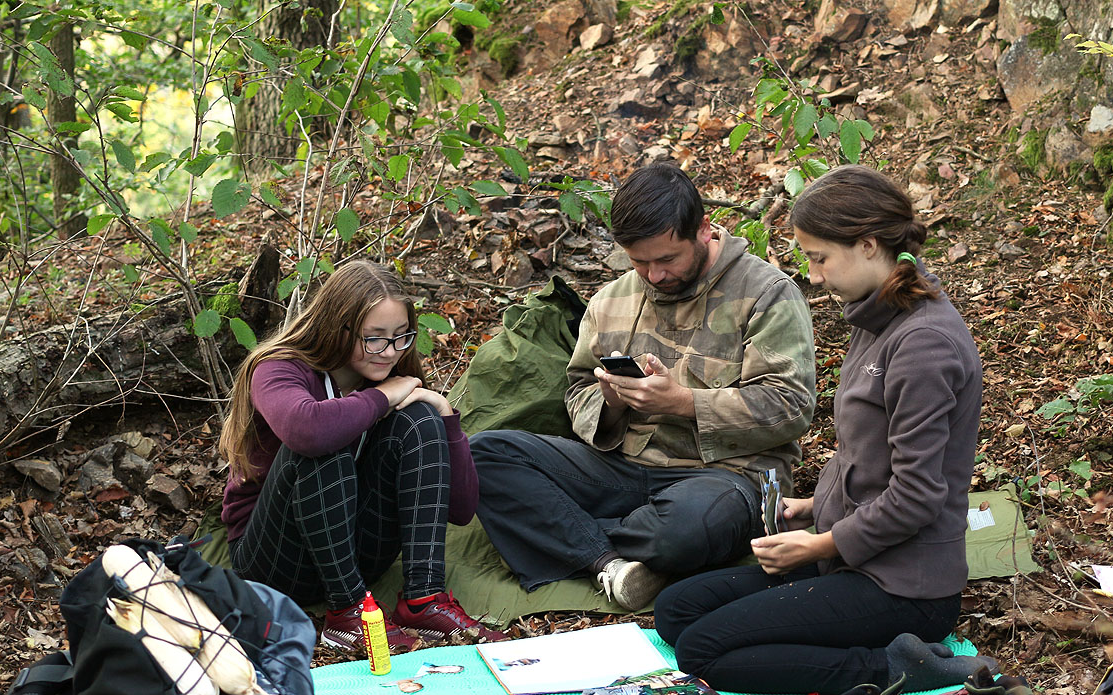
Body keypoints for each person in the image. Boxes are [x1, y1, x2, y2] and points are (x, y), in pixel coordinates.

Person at [654, 165, 992, 695]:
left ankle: (896, 668)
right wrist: (812, 507)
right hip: (852, 559)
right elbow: (869, 454)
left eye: (819, 257)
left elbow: (919, 497)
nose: (812, 275)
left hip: (904, 587)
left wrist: (816, 546)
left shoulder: (925, 344)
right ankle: (842, 640)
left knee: (702, 650)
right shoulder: (880, 316)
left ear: (868, 244)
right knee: (678, 609)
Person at [469, 163, 817, 610]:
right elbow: (577, 389)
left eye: (667, 260)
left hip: (726, 478)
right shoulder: (610, 301)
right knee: (486, 454)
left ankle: (568, 532)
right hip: (622, 470)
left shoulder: (768, 293)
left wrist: (684, 402)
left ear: (704, 230)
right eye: (638, 262)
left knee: (689, 527)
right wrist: (610, 403)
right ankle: (610, 563)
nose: (653, 276)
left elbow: (790, 406)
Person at [219, 259, 504, 652]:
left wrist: (444, 416)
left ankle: (423, 599)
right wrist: (382, 397)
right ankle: (348, 613)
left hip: (357, 550)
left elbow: (461, 509)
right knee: (322, 443)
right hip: (277, 558)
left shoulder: (393, 372)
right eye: (375, 338)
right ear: (338, 327)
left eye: (401, 336)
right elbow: (307, 430)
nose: (389, 352)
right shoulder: (278, 369)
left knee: (419, 419)